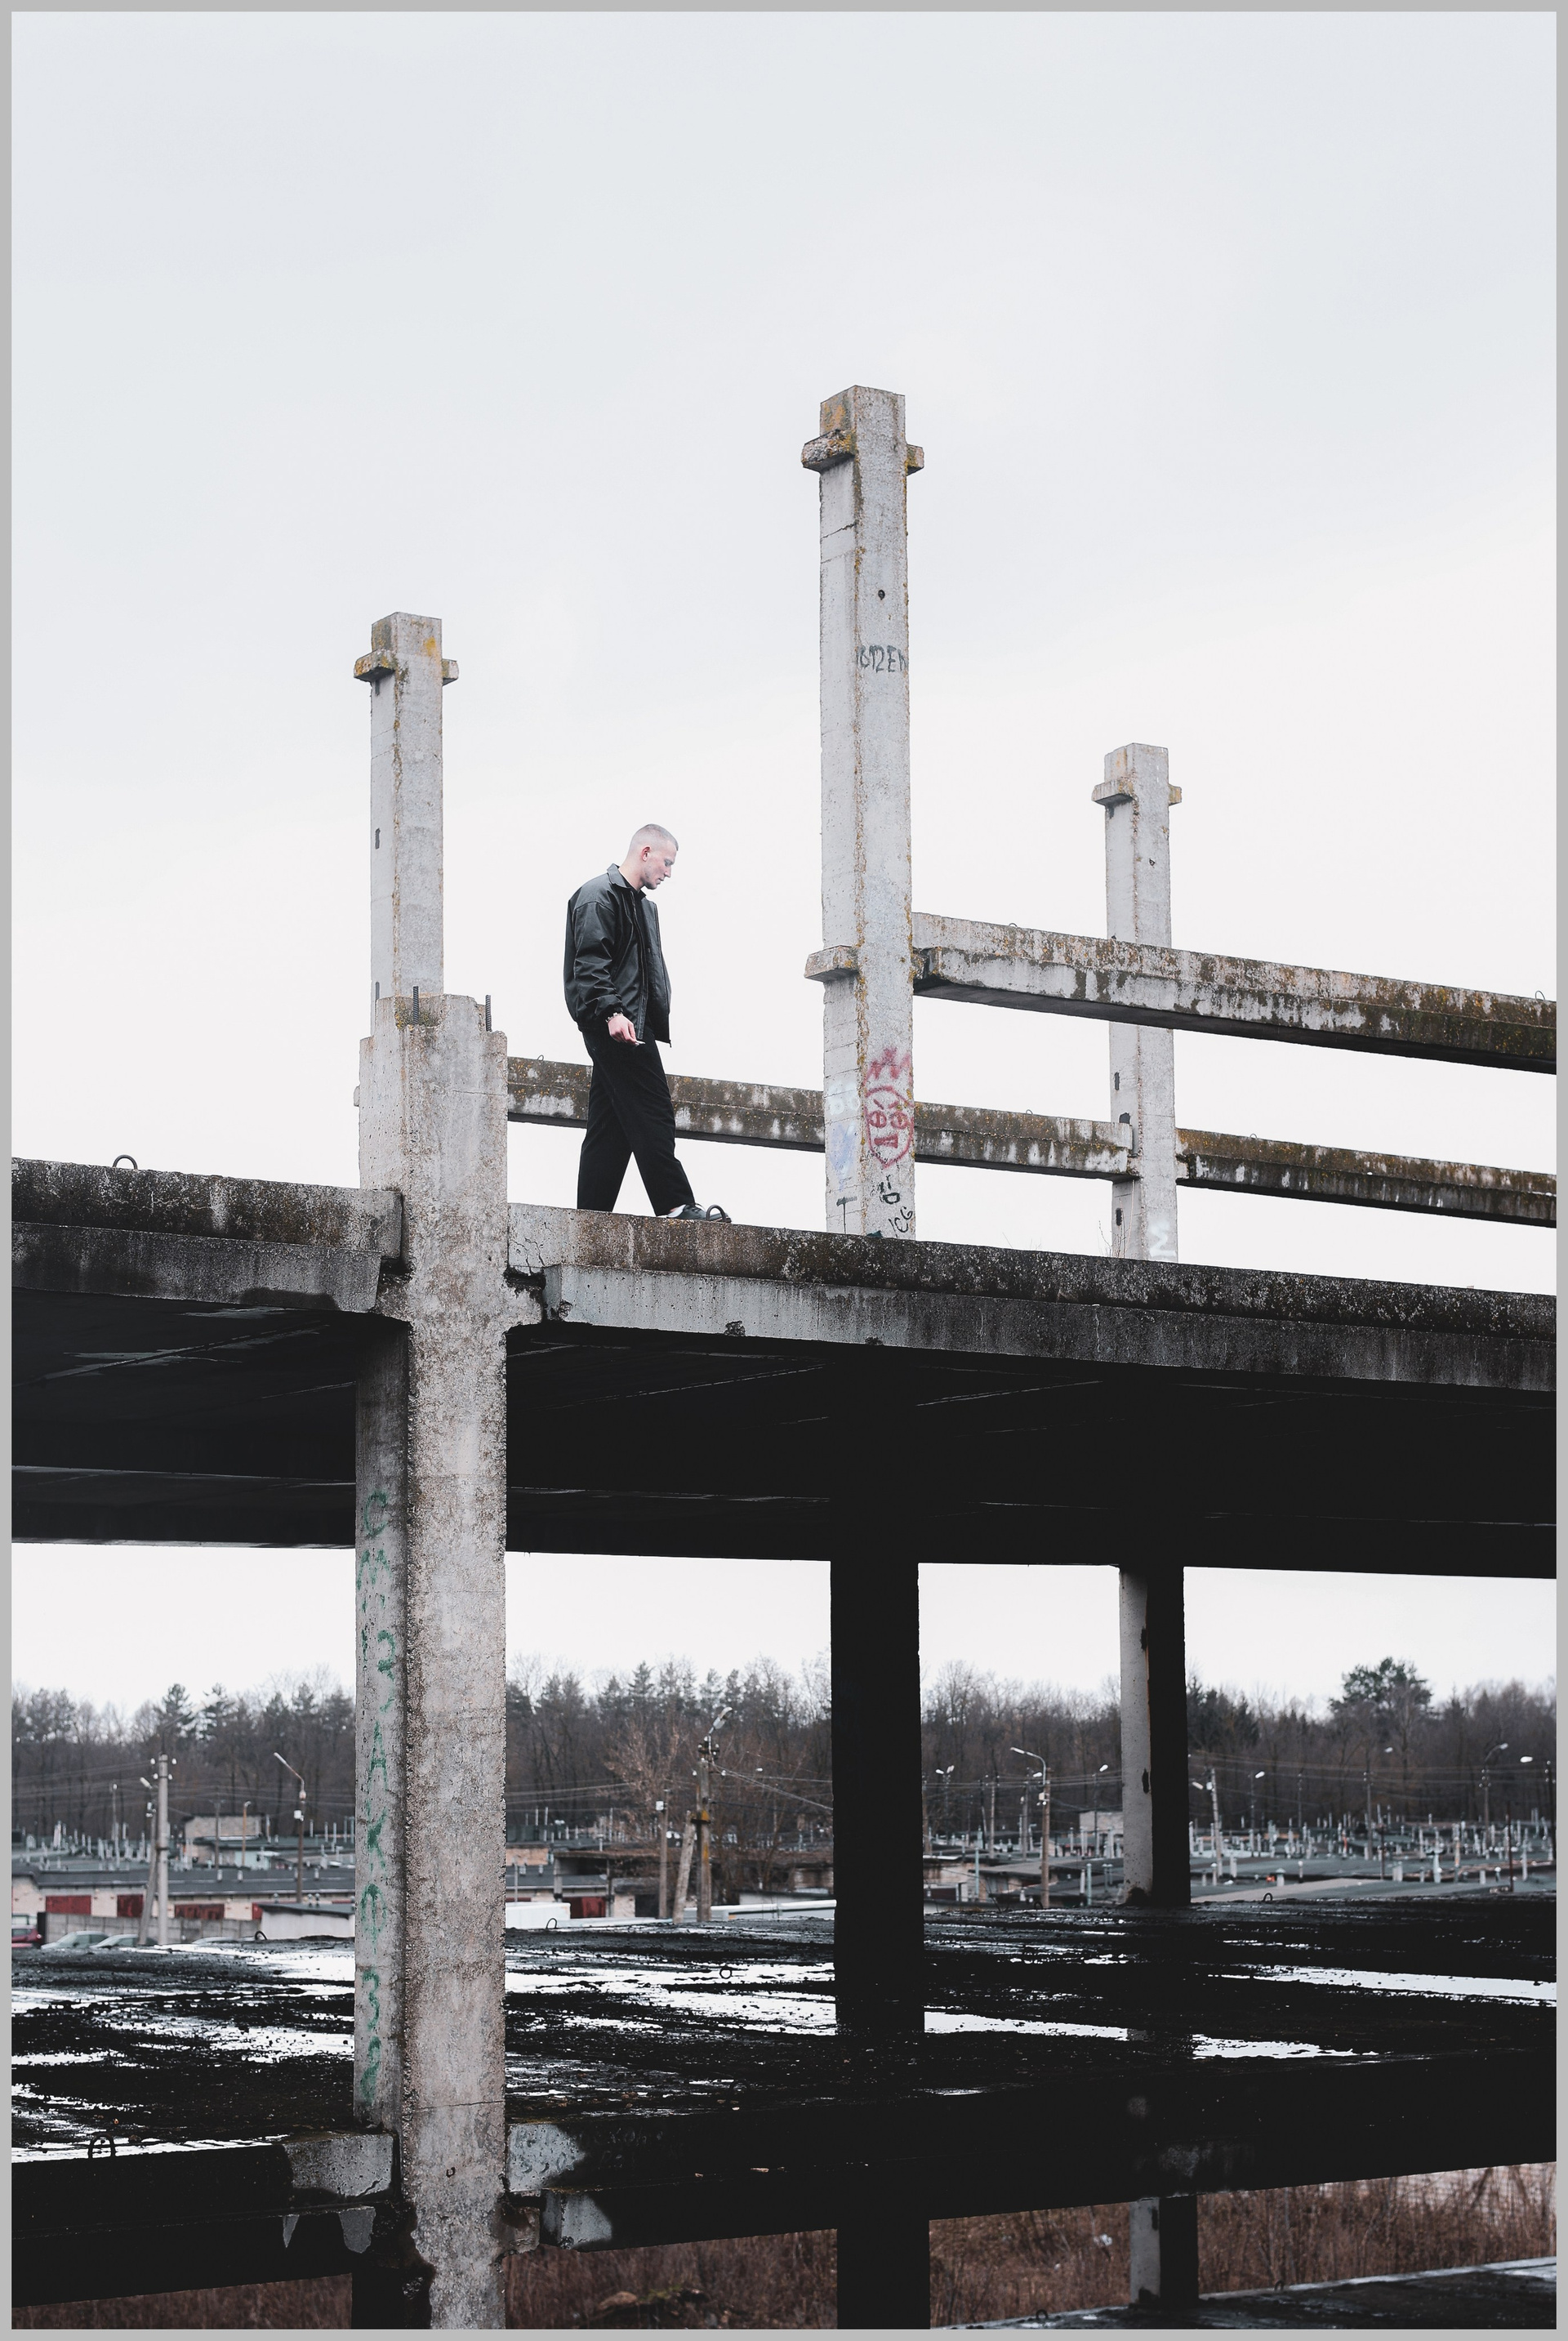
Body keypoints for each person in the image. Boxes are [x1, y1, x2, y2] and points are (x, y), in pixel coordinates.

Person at [564, 824, 730, 1221]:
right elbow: (590, 964)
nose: (669, 872)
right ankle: (675, 1204)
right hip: (616, 1024)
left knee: (611, 1126)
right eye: (667, 863)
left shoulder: (642, 906)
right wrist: (612, 1013)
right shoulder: (598, 896)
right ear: (645, 852)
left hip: (632, 1022)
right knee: (653, 1109)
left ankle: (591, 1219)